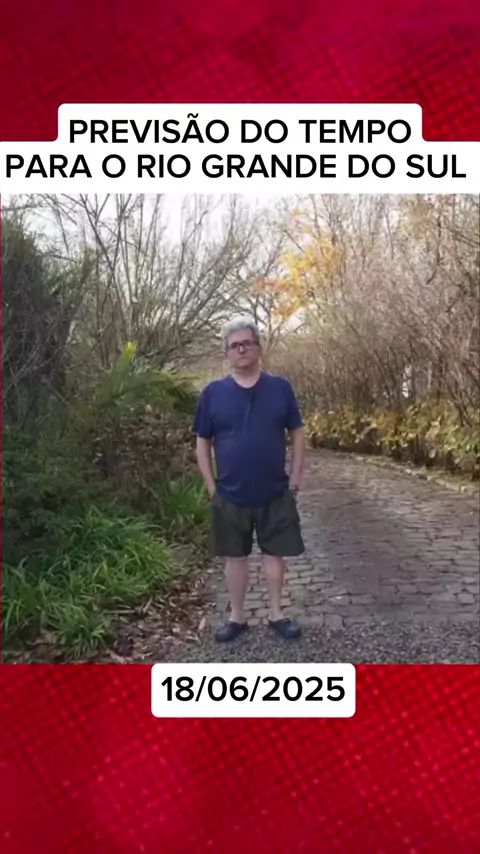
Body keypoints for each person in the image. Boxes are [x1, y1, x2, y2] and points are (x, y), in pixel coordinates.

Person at [193, 316, 306, 643]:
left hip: (275, 490)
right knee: (235, 557)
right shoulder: (212, 394)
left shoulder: (280, 388)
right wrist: (212, 488)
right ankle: (237, 617)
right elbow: (202, 443)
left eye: (247, 343)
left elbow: (297, 434)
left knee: (275, 555)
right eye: (234, 345)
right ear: (226, 353)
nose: (241, 349)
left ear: (258, 347)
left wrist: (295, 480)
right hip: (230, 494)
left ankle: (277, 614)